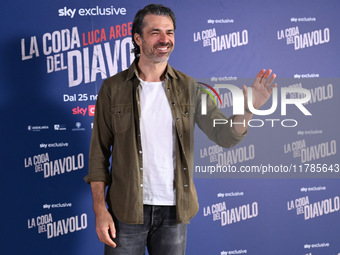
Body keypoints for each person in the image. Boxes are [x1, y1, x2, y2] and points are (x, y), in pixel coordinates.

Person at [84, 4, 277, 255]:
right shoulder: (113, 88)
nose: (165, 39)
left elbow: (226, 135)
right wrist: (100, 210)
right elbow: (98, 155)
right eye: (155, 32)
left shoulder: (190, 88)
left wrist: (249, 109)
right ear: (138, 38)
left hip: (175, 213)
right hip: (125, 211)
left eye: (170, 32)